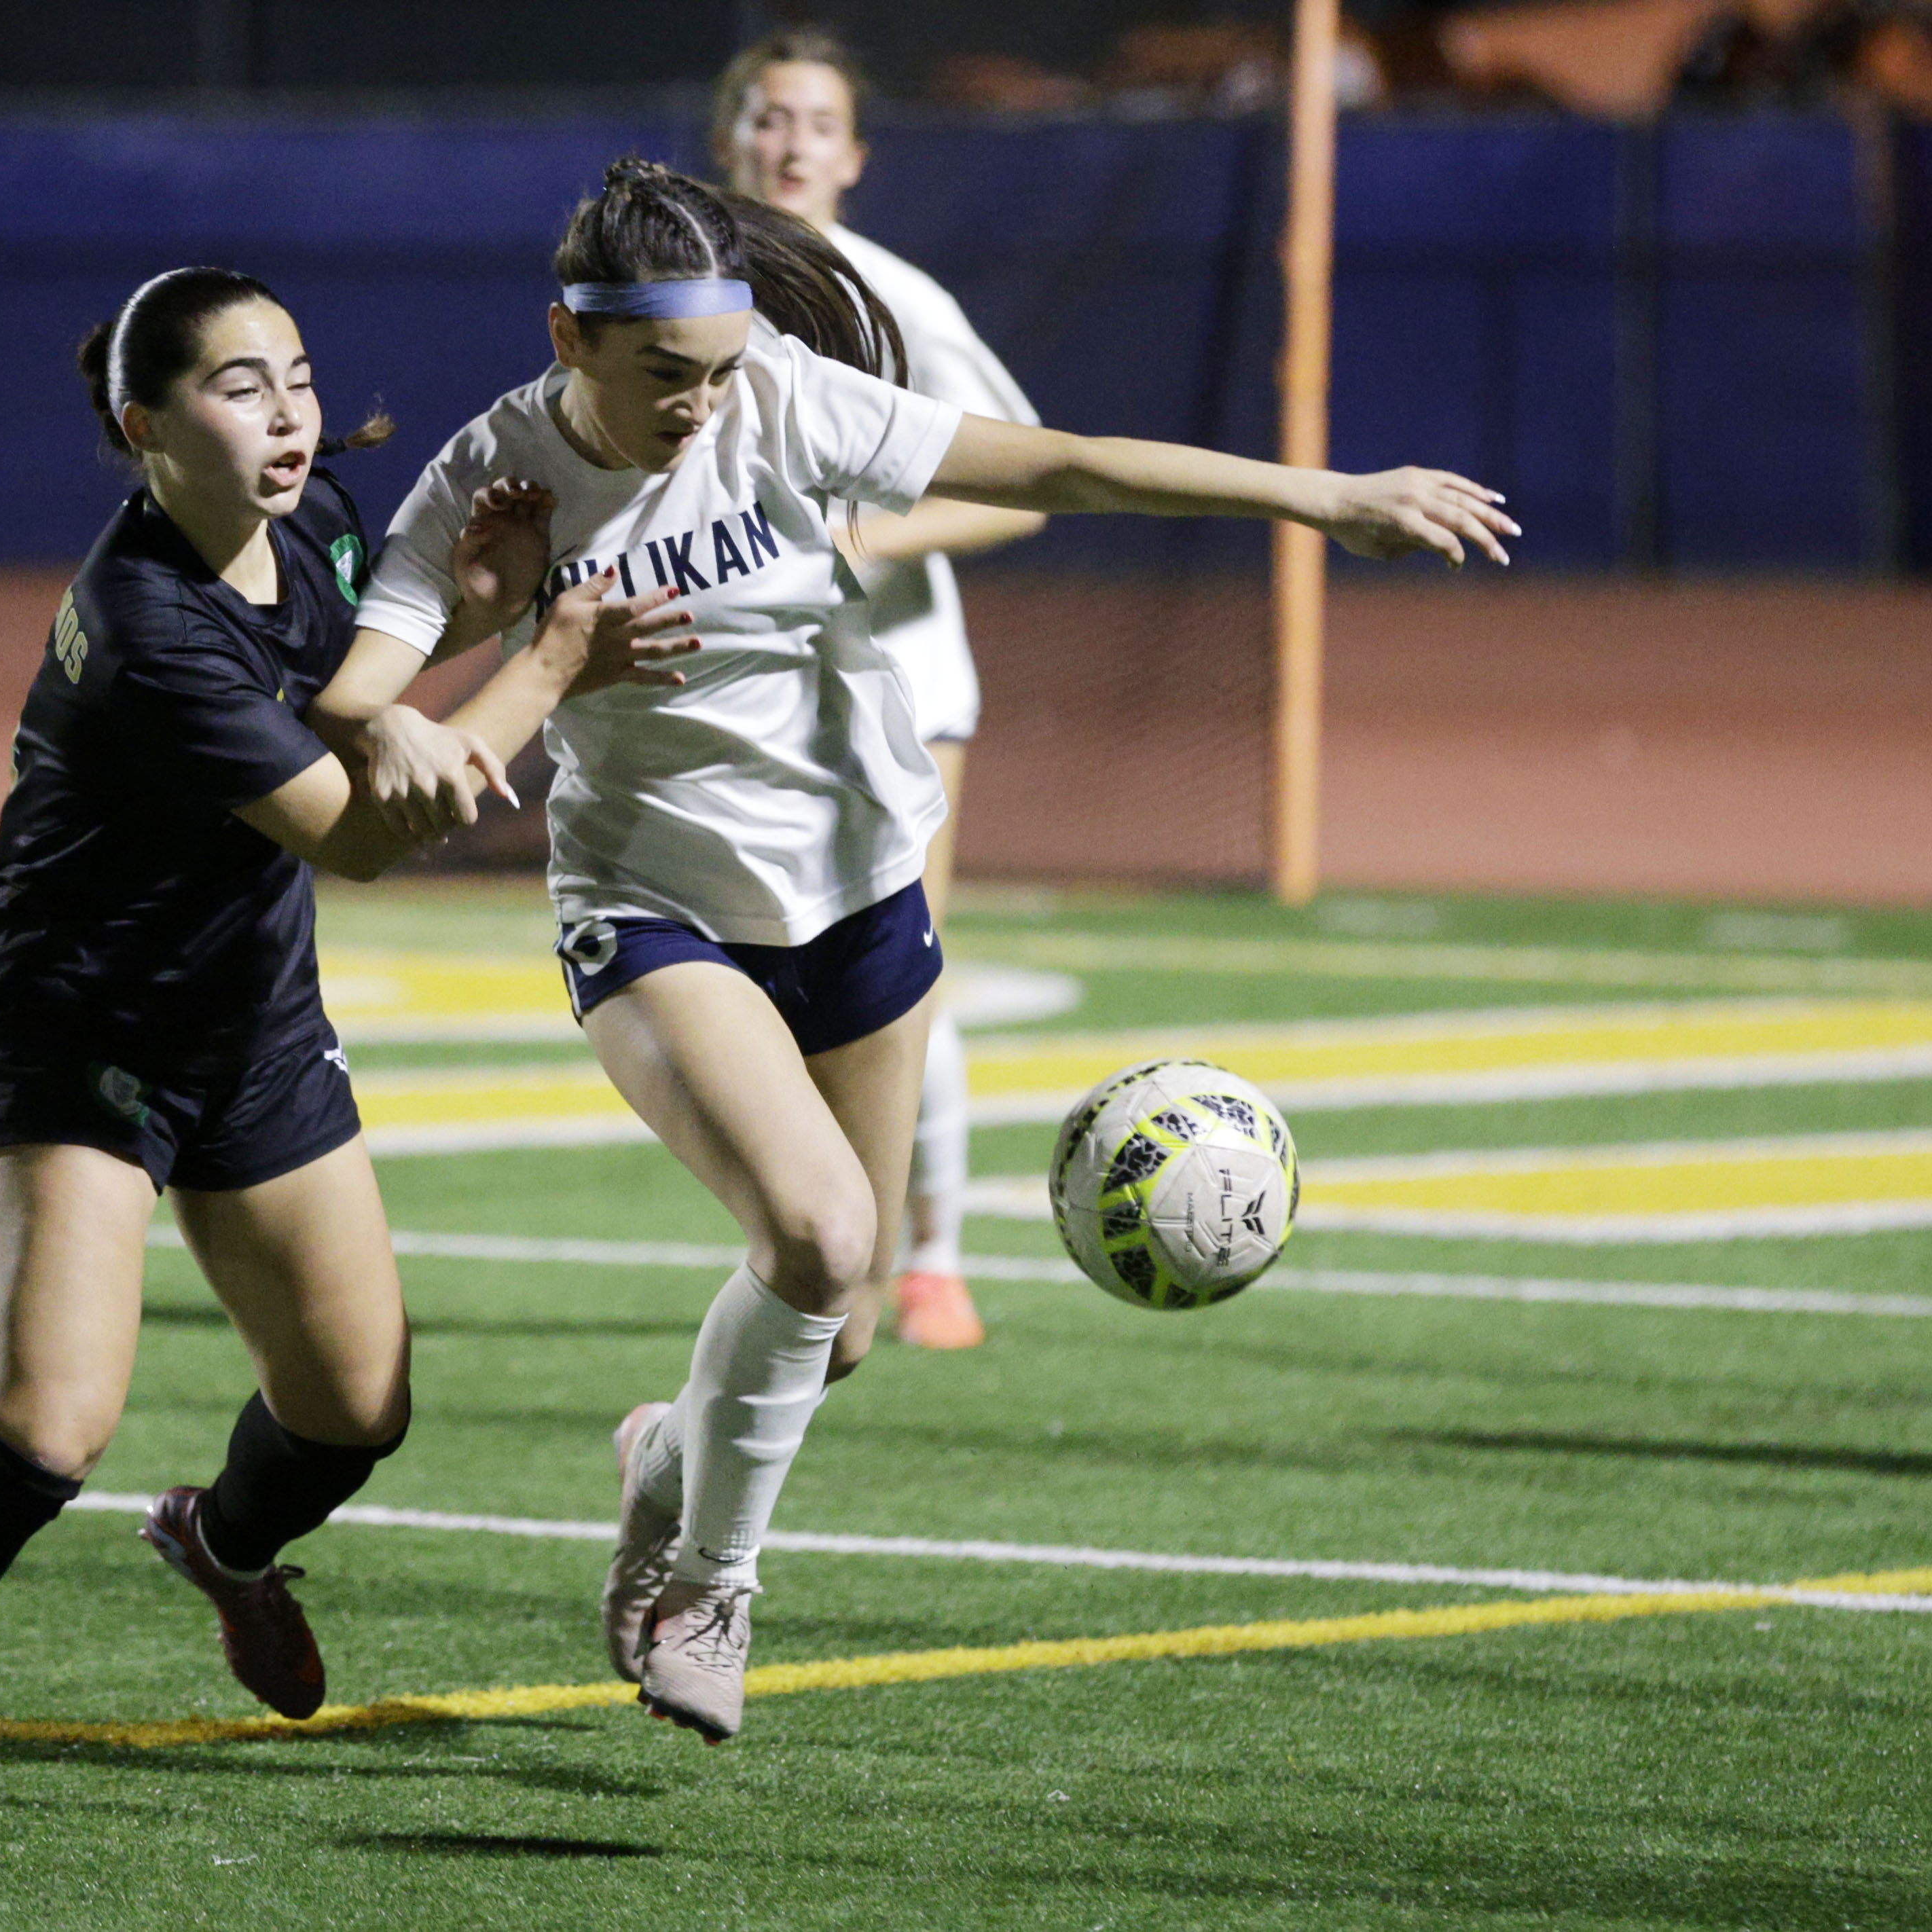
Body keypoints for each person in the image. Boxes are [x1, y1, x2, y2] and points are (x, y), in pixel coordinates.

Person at [319, 159, 1516, 1743]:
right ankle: (711, 1589)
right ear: (571, 339)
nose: (702, 406)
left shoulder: (787, 404)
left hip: (866, 889)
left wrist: (1325, 493)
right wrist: (501, 633)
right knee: (817, 1236)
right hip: (658, 907)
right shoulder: (494, 470)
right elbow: (354, 699)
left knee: (849, 1321)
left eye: (724, 366)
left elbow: (1067, 466)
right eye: (665, 375)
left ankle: (663, 1457)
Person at [0, 266, 693, 1806]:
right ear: (144, 424)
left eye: (300, 376)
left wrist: (469, 606)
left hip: (249, 1026)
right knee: (48, 1422)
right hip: (74, 1035)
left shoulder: (309, 526)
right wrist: (547, 654)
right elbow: (362, 837)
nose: (290, 412)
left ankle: (226, 1540)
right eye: (241, 387)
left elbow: (337, 700)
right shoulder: (141, 623)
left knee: (353, 1411)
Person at [714, 27, 1048, 1349]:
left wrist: (867, 535)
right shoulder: (682, 294)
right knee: (763, 985)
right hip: (751, 696)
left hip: (900, 680)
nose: (788, 143)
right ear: (729, 136)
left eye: (814, 122)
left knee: (899, 971)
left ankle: (933, 1257)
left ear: (854, 156)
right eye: (765, 117)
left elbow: (1017, 489)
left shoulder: (891, 298)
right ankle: (810, 1243)